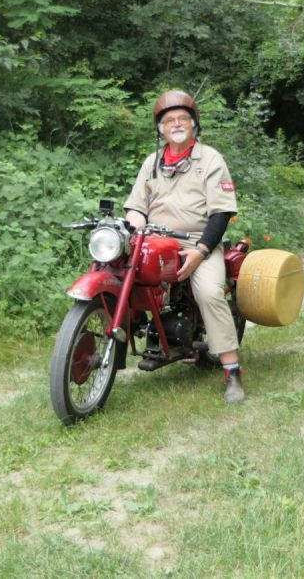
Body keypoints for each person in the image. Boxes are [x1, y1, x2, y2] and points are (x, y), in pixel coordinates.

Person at [123, 89, 245, 403]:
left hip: (197, 241)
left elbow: (221, 212)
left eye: (182, 118)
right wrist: (135, 228)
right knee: (120, 273)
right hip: (154, 240)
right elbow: (136, 206)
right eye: (169, 120)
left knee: (209, 293)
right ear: (160, 129)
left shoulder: (210, 159)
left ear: (193, 124)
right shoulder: (152, 162)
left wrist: (201, 251)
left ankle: (232, 371)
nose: (176, 124)